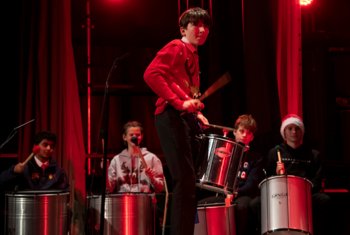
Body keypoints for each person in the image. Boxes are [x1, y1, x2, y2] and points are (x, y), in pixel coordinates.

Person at [143, 7, 212, 235]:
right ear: (183, 29)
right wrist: (179, 102)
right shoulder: (177, 47)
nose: (202, 30)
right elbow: (151, 74)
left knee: (188, 182)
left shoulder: (192, 54)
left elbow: (187, 92)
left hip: (182, 118)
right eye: (196, 25)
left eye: (205, 26)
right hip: (169, 116)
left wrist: (195, 111)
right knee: (184, 181)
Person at [197, 114, 264, 235]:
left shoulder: (256, 157)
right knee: (199, 206)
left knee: (241, 207)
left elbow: (252, 183)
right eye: (241, 131)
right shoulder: (225, 151)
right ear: (234, 132)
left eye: (248, 133)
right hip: (224, 194)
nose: (244, 135)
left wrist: (235, 192)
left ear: (252, 137)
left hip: (243, 194)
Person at [265, 114, 331, 235]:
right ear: (284, 132)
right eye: (290, 128)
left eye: (297, 128)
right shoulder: (275, 152)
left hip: (306, 194)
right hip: (282, 194)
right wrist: (276, 175)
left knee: (324, 200)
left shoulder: (313, 154)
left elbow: (317, 178)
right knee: (256, 203)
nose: (294, 132)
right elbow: (267, 179)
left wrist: (302, 192)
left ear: (302, 132)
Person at [107, 120, 164, 193]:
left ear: (142, 137)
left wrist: (152, 178)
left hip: (145, 202)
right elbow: (109, 189)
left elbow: (160, 188)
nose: (135, 137)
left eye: (137, 135)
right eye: (131, 135)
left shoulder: (152, 158)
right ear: (124, 137)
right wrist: (105, 171)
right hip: (124, 202)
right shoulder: (116, 160)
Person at [0, 131, 69, 191]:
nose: (49, 148)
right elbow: (2, 181)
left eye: (52, 146)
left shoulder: (58, 170)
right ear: (35, 146)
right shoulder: (24, 168)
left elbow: (64, 192)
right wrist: (13, 171)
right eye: (45, 145)